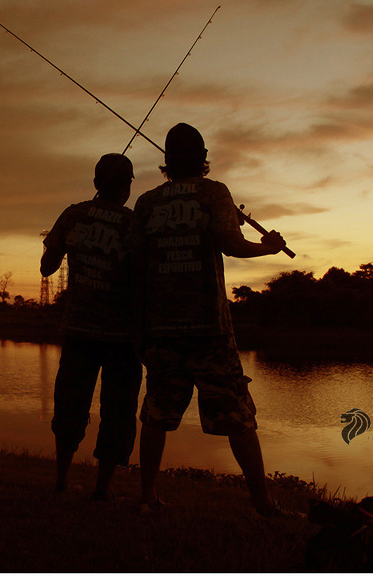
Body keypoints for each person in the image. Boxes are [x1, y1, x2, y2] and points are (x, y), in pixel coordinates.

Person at [130, 122, 287, 516]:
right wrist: (268, 248)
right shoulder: (214, 192)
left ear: (167, 161)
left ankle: (146, 497)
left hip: (161, 329)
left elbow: (134, 264)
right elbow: (231, 245)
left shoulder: (147, 203)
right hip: (210, 330)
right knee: (238, 415)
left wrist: (139, 328)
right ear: (203, 159)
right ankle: (262, 503)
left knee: (155, 415)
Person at [41, 153, 141, 501]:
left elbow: (46, 268)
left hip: (78, 333)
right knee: (118, 413)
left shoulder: (72, 215)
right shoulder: (135, 224)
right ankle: (102, 490)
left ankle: (61, 480)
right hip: (124, 340)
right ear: (127, 186)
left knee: (69, 406)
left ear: (96, 183)